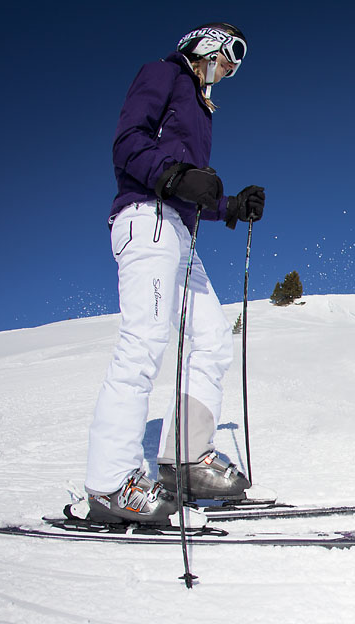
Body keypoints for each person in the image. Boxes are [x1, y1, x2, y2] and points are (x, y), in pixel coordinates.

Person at [84, 23, 266, 524]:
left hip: (180, 234)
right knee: (143, 342)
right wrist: (173, 175)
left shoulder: (203, 111)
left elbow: (188, 188)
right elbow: (128, 143)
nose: (231, 69)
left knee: (212, 341)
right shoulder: (162, 74)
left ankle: (185, 459)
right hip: (146, 219)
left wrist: (228, 206)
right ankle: (109, 483)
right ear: (204, 44)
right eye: (229, 56)